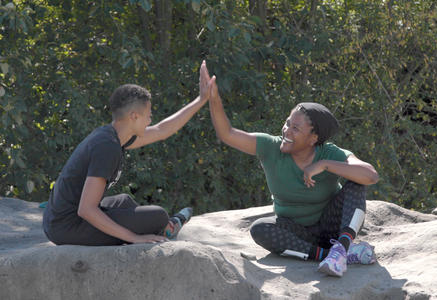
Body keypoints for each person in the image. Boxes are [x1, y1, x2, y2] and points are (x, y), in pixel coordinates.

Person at [204, 64, 379, 277]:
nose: (286, 130)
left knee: (357, 184)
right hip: (296, 233)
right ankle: (330, 255)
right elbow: (227, 134)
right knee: (260, 229)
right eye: (287, 123)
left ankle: (342, 249)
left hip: (332, 225)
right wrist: (213, 99)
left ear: (314, 139)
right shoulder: (270, 147)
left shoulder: (329, 153)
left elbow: (370, 176)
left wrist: (324, 165)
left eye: (295, 128)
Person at [43, 61, 213, 246]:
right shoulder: (107, 147)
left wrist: (201, 100)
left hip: (59, 221)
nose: (150, 119)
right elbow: (86, 210)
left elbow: (161, 130)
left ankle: (163, 229)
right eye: (148, 114)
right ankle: (163, 227)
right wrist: (134, 238)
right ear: (134, 116)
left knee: (123, 201)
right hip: (66, 229)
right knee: (157, 216)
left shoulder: (113, 135)